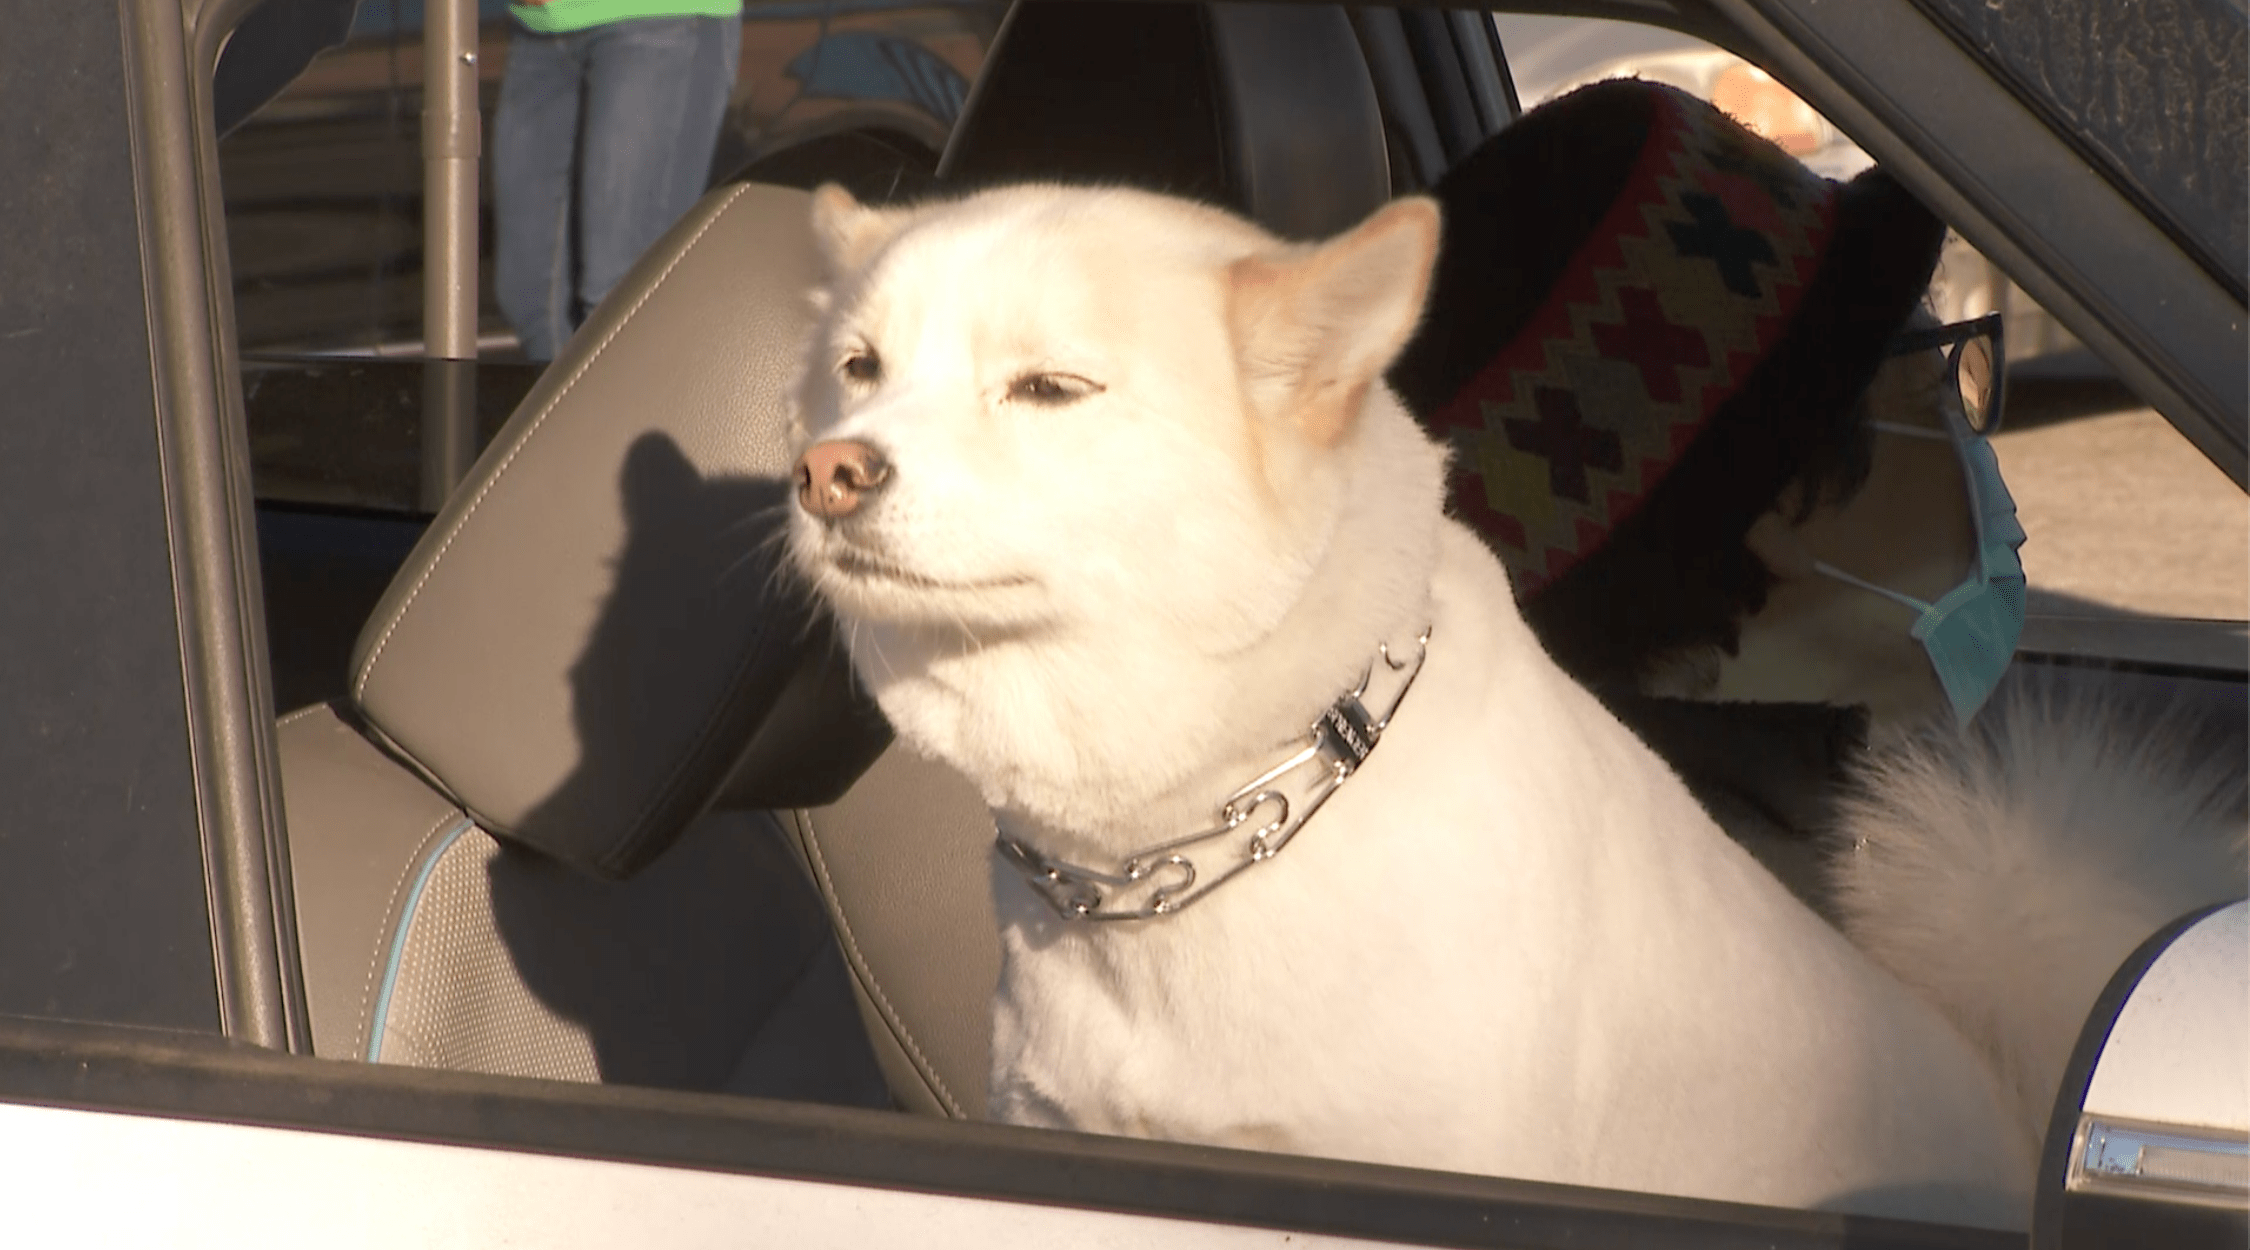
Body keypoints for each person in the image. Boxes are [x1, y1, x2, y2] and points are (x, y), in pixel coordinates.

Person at [1386, 79, 2029, 906]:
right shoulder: (1816, 957)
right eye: (1938, 386)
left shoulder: (1625, 869)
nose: (1976, 449)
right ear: (1787, 511)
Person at [493, 0, 746, 361]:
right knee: (531, 298)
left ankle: (626, 415)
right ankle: (578, 417)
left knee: (618, 297)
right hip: (538, 30)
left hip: (655, 19)